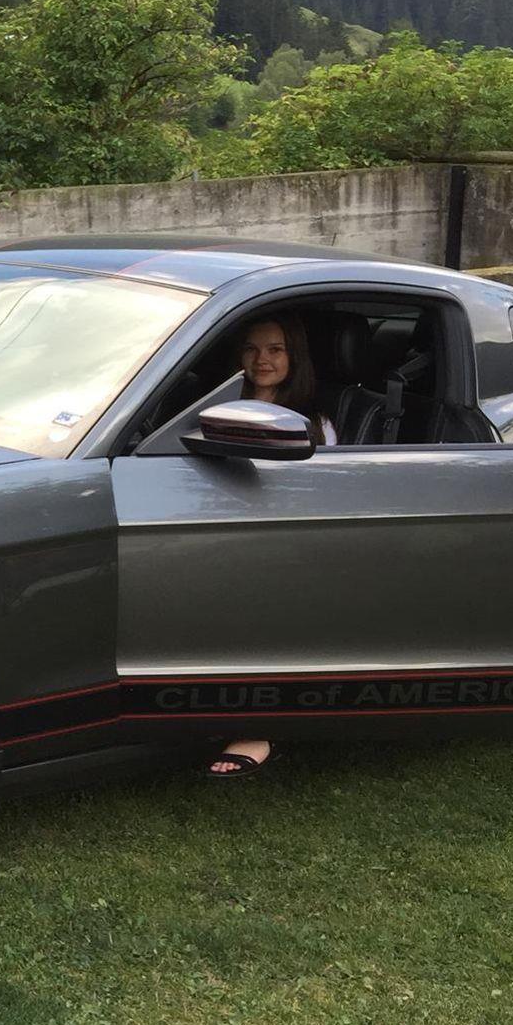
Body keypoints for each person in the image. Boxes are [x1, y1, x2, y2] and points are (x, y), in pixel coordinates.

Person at [207, 312, 334, 782]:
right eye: (251, 348)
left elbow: (323, 492)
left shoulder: (315, 421)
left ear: (294, 357)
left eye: (276, 349)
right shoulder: (214, 406)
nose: (262, 359)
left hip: (284, 540)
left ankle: (257, 729)